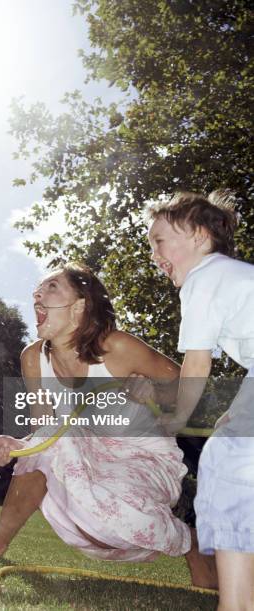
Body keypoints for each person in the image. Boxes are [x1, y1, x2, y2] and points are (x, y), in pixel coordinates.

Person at [0, 263, 217, 589]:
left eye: (51, 288)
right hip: (81, 453)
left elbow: (192, 386)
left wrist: (156, 392)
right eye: (37, 291)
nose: (37, 295)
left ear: (80, 305)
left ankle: (189, 542)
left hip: (143, 457)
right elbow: (44, 433)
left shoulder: (117, 348)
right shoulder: (34, 358)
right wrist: (15, 445)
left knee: (117, 528)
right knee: (60, 458)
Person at [147, 190, 254, 610]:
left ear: (197, 234)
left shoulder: (205, 277)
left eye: (159, 240)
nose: (154, 253)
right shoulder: (231, 275)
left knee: (227, 473)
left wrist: (176, 419)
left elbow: (195, 363)